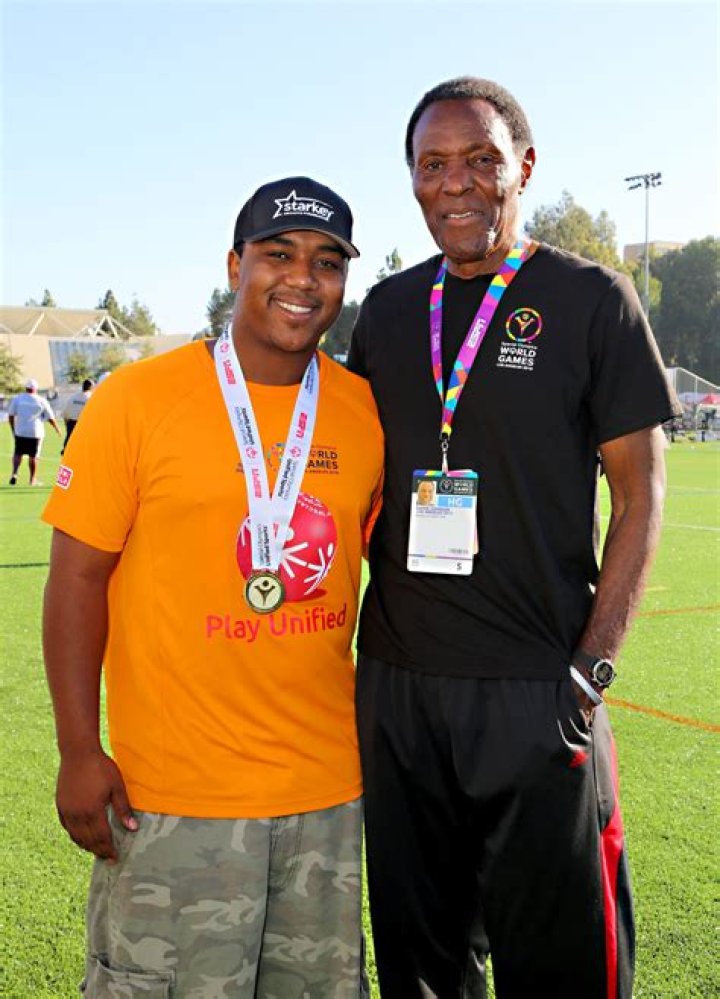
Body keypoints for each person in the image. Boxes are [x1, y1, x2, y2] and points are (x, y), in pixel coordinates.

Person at [348, 77, 682, 999]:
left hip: (537, 684)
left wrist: (592, 666)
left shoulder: (589, 299)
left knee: (564, 958)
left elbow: (641, 494)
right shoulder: (382, 311)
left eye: (482, 160)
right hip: (401, 689)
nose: (456, 184)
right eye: (433, 164)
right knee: (421, 962)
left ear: (523, 168)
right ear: (412, 179)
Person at [42, 176, 384, 998]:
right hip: (173, 800)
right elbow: (76, 579)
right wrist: (79, 750)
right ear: (235, 265)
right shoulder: (138, 399)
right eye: (278, 254)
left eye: (327, 261)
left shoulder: (366, 411)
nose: (303, 277)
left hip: (328, 798)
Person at [8, 377, 60, 485]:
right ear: (36, 389)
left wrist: (13, 428)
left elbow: (11, 415)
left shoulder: (18, 399)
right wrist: (56, 428)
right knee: (34, 456)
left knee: (18, 453)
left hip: (20, 431)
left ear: (26, 388)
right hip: (35, 432)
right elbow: (50, 417)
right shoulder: (41, 400)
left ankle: (14, 473)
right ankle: (32, 480)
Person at [61, 377, 94, 453]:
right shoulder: (91, 397)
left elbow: (66, 412)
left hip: (71, 423)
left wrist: (67, 424)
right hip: (84, 425)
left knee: (69, 445)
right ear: (91, 387)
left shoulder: (73, 397)